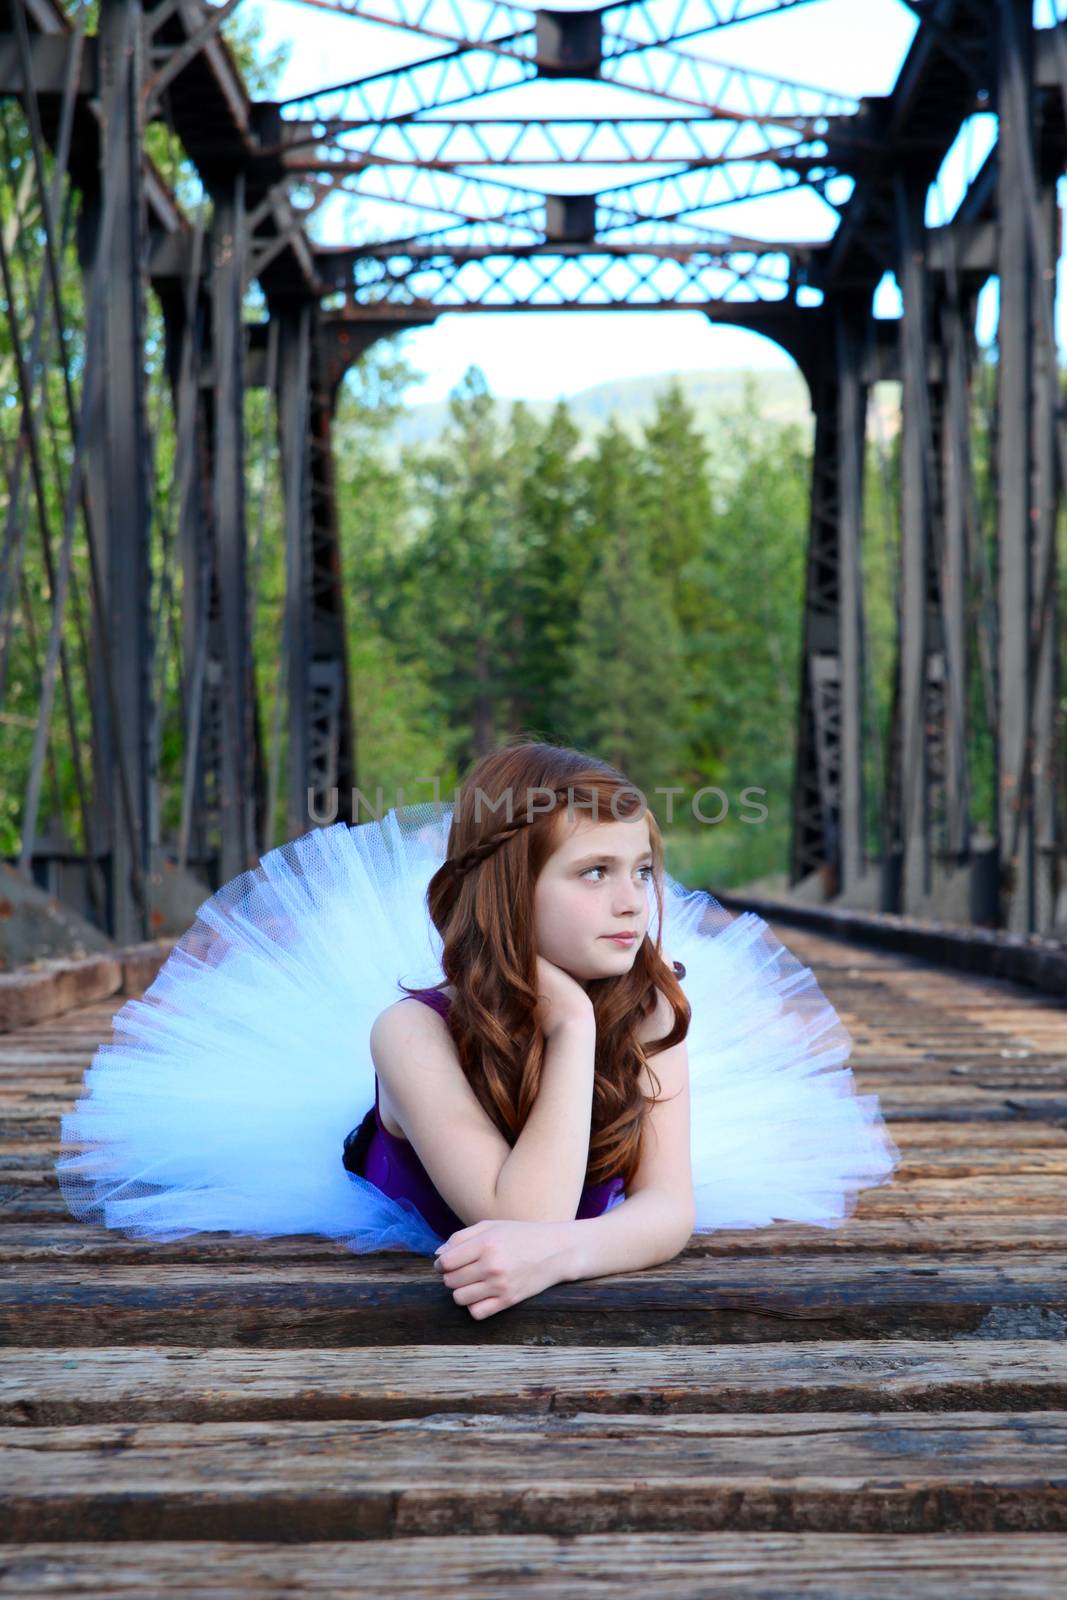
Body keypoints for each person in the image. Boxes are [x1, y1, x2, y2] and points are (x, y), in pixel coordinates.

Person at [56, 739, 901, 1321]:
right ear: (509, 890)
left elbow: (666, 1209)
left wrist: (563, 1257)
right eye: (593, 872)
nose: (630, 901)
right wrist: (569, 1024)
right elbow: (522, 1211)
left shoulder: (646, 1010)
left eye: (641, 872)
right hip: (446, 1201)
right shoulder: (410, 1035)